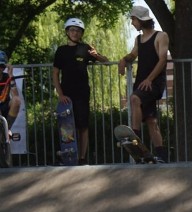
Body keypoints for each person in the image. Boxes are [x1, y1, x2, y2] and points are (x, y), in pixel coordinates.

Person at [52, 18, 109, 165]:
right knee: (68, 126)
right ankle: (70, 156)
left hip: (82, 93)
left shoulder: (85, 48)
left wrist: (96, 55)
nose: (75, 33)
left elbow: (106, 61)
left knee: (83, 125)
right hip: (67, 95)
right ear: (67, 32)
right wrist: (61, 94)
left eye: (78, 31)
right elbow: (55, 74)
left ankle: (82, 158)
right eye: (72, 30)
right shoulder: (61, 51)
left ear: (81, 33)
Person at [118, 5, 169, 163]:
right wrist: (123, 60)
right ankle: (162, 156)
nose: (132, 23)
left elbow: (162, 59)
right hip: (142, 83)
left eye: (133, 19)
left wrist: (150, 79)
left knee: (134, 99)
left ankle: (135, 138)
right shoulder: (138, 40)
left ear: (141, 20)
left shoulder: (161, 36)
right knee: (151, 121)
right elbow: (133, 54)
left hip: (154, 83)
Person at [0, 51, 22, 133]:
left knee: (16, 100)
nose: (0, 69)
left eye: (2, 66)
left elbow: (16, 95)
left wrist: (11, 75)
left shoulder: (7, 76)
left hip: (5, 105)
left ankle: (7, 128)